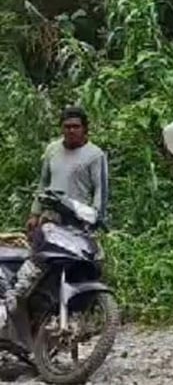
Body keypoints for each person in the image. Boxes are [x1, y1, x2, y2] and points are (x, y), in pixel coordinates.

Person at [0, 106, 109, 329]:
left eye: (76, 127)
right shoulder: (52, 150)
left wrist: (96, 217)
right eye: (67, 127)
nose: (71, 131)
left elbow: (100, 190)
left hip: (78, 221)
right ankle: (21, 302)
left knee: (81, 263)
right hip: (50, 218)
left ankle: (78, 310)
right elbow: (43, 183)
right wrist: (34, 212)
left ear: (85, 129)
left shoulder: (95, 155)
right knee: (39, 262)